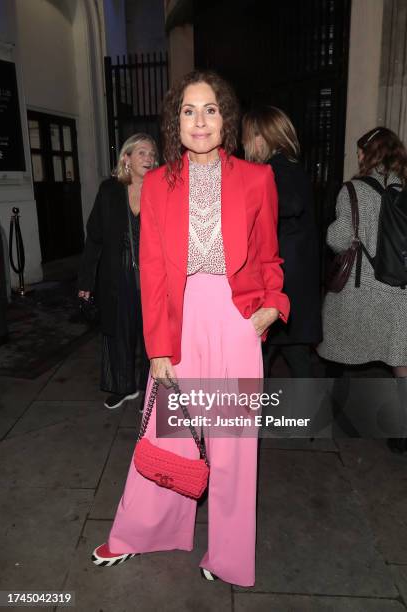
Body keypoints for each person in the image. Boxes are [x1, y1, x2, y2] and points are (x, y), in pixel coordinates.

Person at [91, 70, 289, 586]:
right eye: (188, 111)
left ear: (226, 118)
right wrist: (159, 346)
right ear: (174, 122)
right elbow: (154, 270)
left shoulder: (256, 179)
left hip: (235, 317)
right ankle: (143, 531)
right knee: (166, 432)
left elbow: (270, 256)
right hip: (179, 319)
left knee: (234, 445)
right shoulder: (158, 183)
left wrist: (272, 306)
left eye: (210, 109)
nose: (199, 121)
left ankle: (227, 556)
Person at [317, 127, 407, 447]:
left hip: (360, 290)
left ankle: (332, 415)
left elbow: (338, 239)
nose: (356, 156)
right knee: (400, 361)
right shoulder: (405, 187)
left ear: (369, 154)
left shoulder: (352, 190)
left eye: (359, 150)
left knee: (337, 348)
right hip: (399, 291)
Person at [78, 133, 158, 409]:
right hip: (116, 276)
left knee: (152, 337)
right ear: (126, 158)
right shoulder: (109, 190)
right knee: (119, 333)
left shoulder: (161, 189)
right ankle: (123, 386)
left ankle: (149, 389)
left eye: (151, 154)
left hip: (152, 277)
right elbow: (95, 238)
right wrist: (86, 280)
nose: (148, 159)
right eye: (142, 153)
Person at [242, 106, 322, 377]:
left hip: (283, 282)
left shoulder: (275, 169)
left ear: (261, 137)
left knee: (260, 358)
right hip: (296, 282)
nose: (244, 144)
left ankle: (253, 415)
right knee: (293, 355)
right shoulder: (290, 166)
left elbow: (291, 204)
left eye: (247, 137)